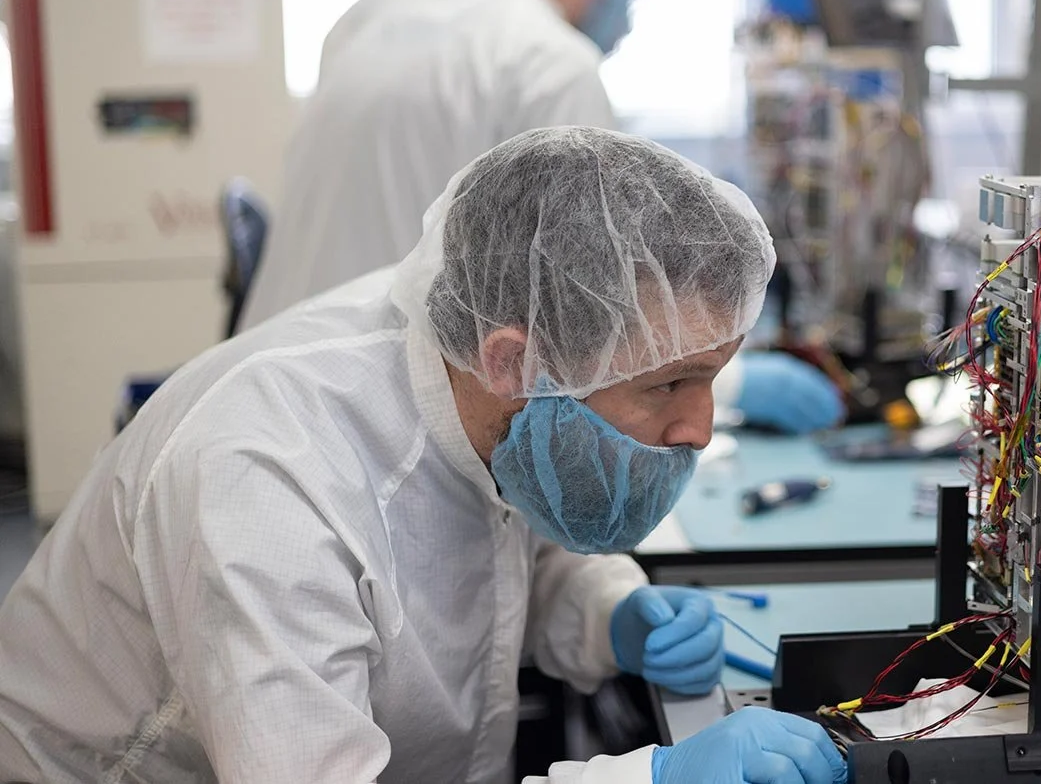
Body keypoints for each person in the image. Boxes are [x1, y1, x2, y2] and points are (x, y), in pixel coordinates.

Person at [0, 128, 846, 784]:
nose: (700, 428)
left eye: (714, 378)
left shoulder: (477, 361)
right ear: (514, 360)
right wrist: (652, 774)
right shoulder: (271, 478)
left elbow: (479, 542)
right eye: (671, 385)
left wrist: (605, 609)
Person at [241, 0, 844, 435]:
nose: (628, 21)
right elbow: (576, 293)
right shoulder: (549, 62)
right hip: (370, 396)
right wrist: (721, 380)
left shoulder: (393, 17)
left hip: (282, 361)